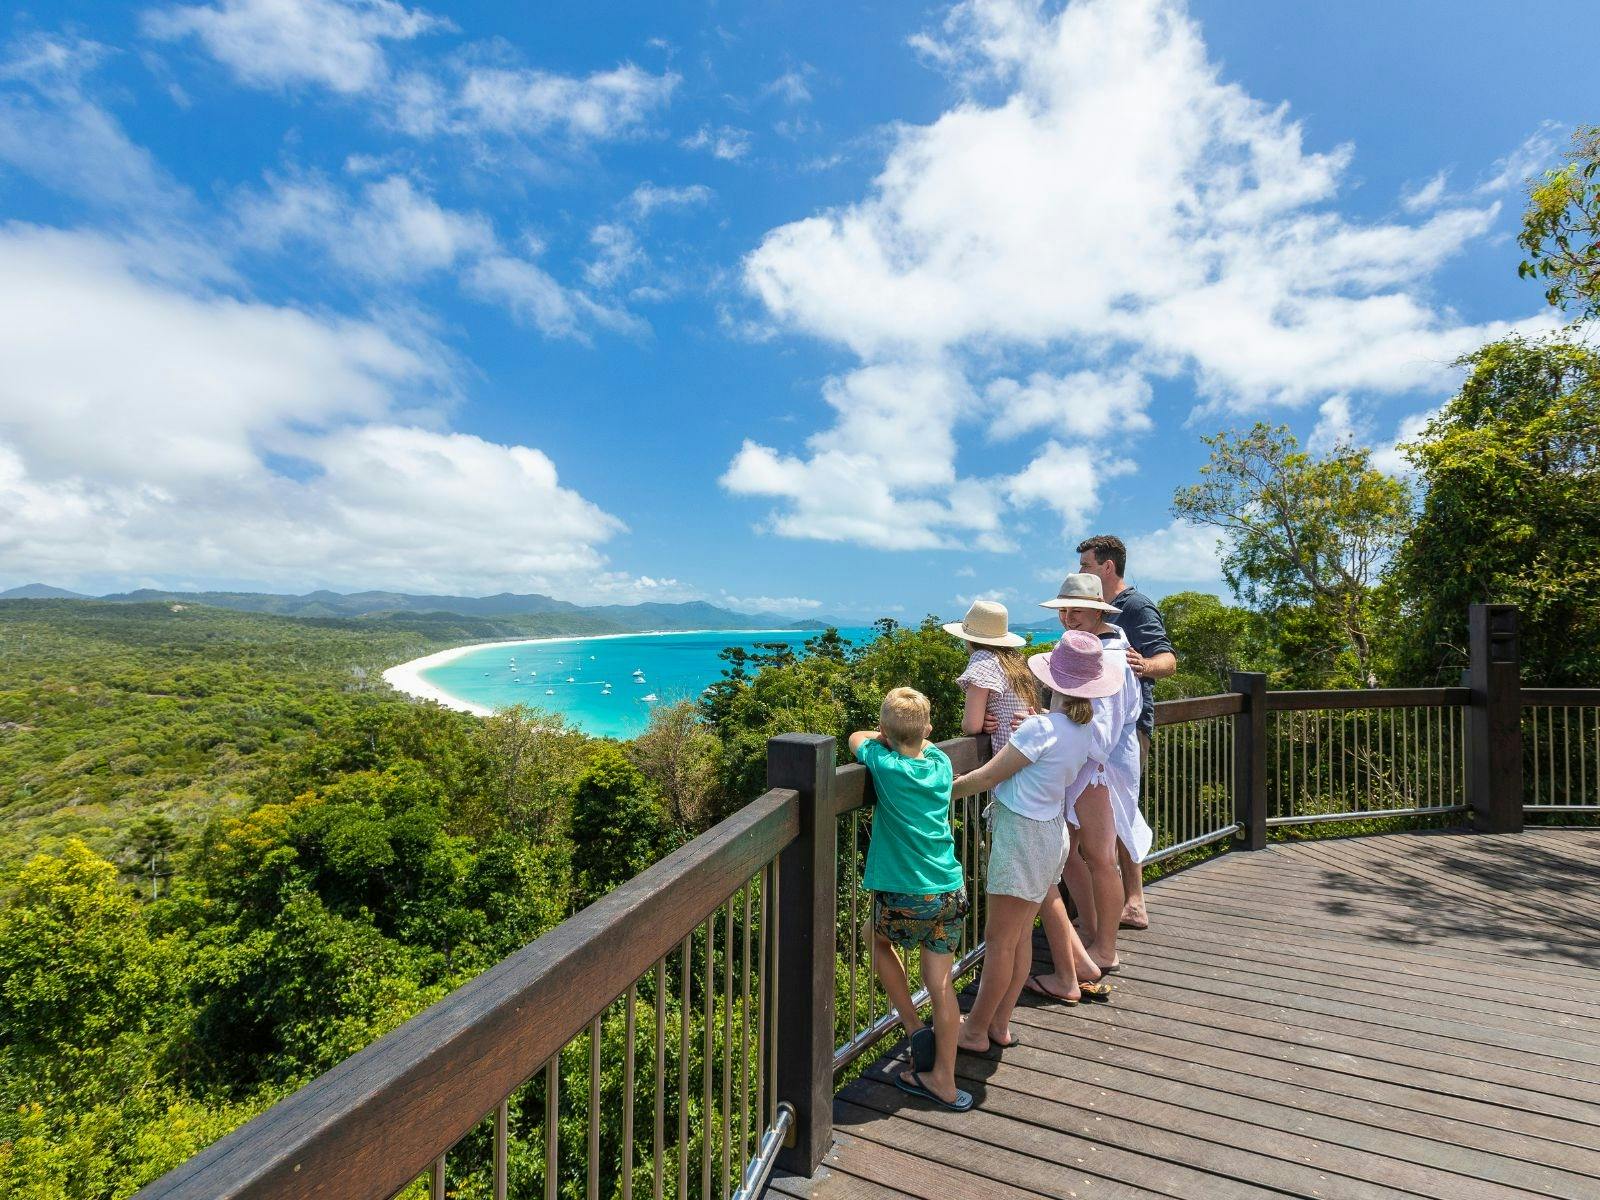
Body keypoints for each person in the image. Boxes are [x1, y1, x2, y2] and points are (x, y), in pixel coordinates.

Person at [949, 632, 1121, 1055]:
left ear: (1053, 682)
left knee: (1000, 942)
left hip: (1020, 835)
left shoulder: (1039, 729)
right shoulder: (1082, 731)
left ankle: (974, 1031)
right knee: (1022, 936)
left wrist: (941, 788)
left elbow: (990, 775)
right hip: (1052, 834)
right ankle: (1000, 1025)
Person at [847, 688, 972, 1113]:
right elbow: (925, 742)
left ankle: (912, 1023)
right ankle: (945, 1081)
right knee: (940, 984)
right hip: (950, 889)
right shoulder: (940, 763)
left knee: (875, 937)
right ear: (929, 730)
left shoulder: (885, 764)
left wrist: (881, 736)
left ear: (884, 730)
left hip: (905, 891)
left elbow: (855, 738)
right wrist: (912, 733)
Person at [1039, 574, 1149, 976]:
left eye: (1076, 610)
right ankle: (1090, 932)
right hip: (1095, 768)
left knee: (1099, 857)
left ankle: (1105, 948)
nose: (1068, 617)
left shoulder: (1112, 658)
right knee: (1073, 855)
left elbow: (1098, 732)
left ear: (1098, 610)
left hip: (1097, 770)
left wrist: (1045, 731)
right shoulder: (1110, 649)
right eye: (1063, 611)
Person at [1077, 534, 1176, 930]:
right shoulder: (1100, 609)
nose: (1081, 572)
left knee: (1123, 809)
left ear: (1107, 567)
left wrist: (1143, 665)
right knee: (1104, 815)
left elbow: (1167, 660)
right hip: (1100, 727)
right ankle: (1113, 902)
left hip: (1129, 727)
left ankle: (1133, 900)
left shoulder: (1134, 606)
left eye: (1085, 565)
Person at [943, 598, 1036, 754]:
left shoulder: (983, 659)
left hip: (1006, 762)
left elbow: (971, 726)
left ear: (969, 639)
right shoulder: (1015, 663)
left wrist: (978, 721)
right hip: (1028, 753)